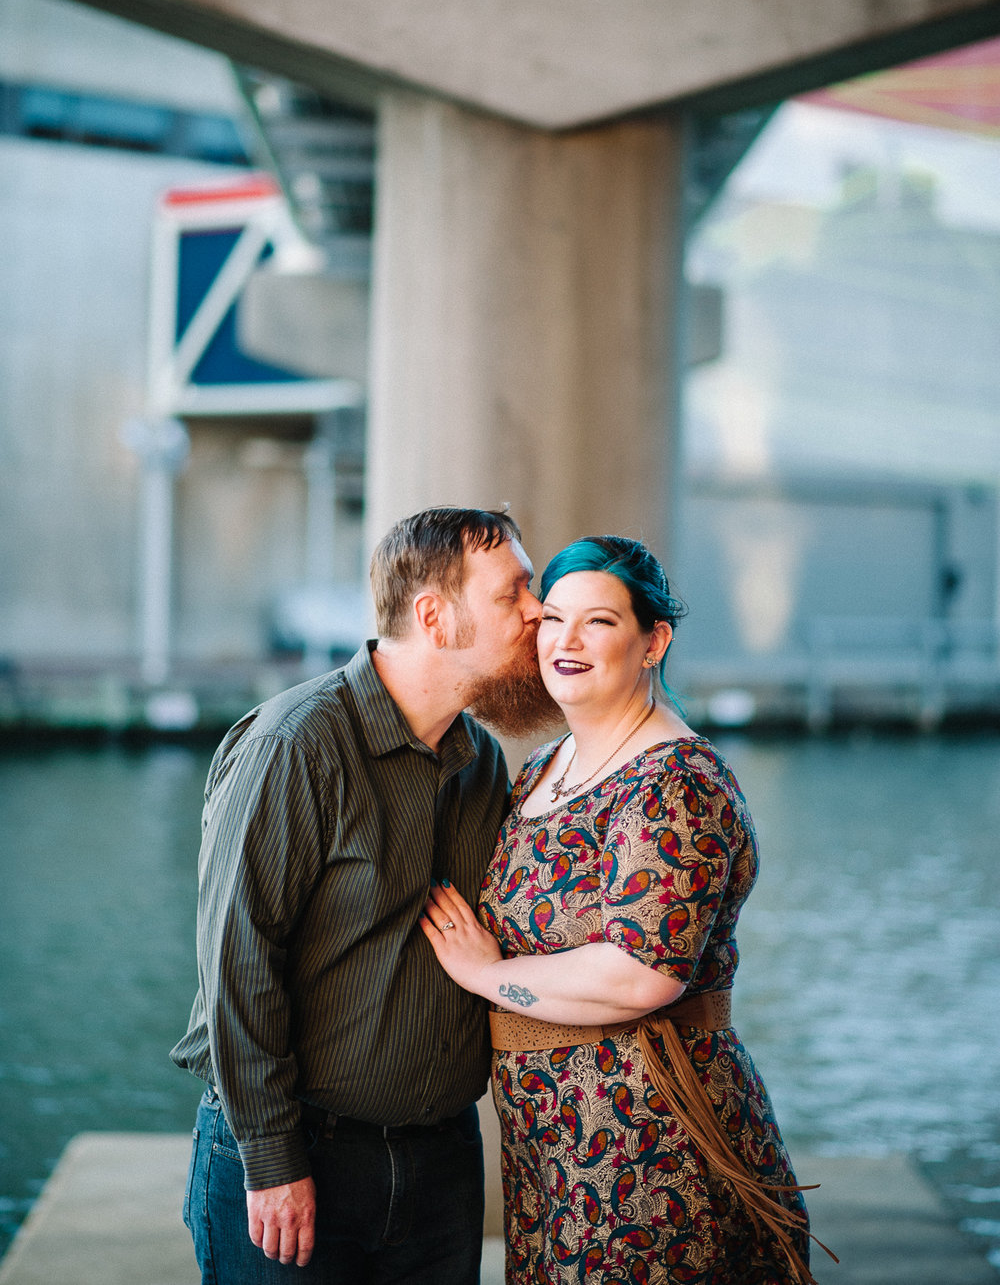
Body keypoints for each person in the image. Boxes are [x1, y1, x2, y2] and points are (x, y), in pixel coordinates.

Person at [171, 505, 562, 1285]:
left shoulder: (482, 761)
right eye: (512, 592)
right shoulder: (296, 745)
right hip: (298, 1157)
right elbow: (238, 965)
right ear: (433, 615)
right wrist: (274, 1160)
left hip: (441, 1168)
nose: (537, 610)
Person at [422, 535, 821, 1285]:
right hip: (556, 1153)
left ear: (652, 641)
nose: (565, 641)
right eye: (553, 618)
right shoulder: (547, 765)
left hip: (651, 1147)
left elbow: (644, 975)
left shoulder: (675, 781)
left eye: (599, 622)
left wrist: (488, 976)